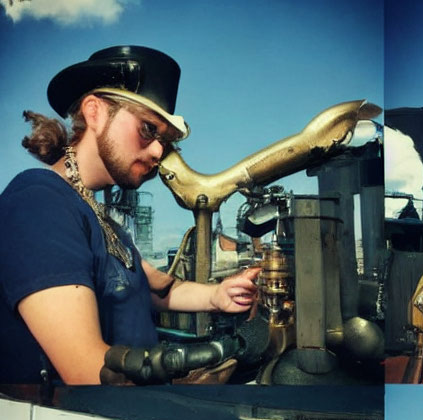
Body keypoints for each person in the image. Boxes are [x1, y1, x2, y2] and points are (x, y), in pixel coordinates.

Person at [0, 45, 259, 387]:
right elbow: (86, 371)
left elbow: (154, 289)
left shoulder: (100, 218)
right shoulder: (39, 202)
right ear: (94, 113)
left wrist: (217, 296)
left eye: (164, 141)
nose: (157, 151)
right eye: (148, 130)